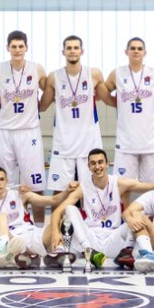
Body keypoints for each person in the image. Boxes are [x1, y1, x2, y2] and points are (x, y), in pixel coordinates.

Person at [47, 148, 154, 270]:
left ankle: (127, 252)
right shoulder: (83, 187)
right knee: (70, 209)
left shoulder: (118, 183)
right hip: (91, 238)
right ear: (88, 167)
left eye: (100, 162)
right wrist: (55, 233)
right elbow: (57, 211)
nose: (97, 166)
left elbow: (151, 186)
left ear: (107, 164)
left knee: (136, 214)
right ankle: (87, 251)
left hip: (113, 239)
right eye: (93, 163)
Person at [39, 35, 109, 191]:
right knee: (59, 190)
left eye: (76, 48)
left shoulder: (94, 74)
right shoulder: (54, 77)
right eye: (69, 48)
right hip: (64, 141)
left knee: (93, 189)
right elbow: (42, 106)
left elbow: (107, 99)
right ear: (63, 51)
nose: (72, 51)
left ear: (82, 51)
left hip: (88, 141)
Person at [103, 37, 154, 182]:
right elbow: (103, 93)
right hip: (126, 142)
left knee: (153, 184)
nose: (136, 51)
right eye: (133, 48)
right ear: (126, 51)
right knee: (122, 185)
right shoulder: (117, 74)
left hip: (150, 141)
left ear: (145, 52)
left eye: (140, 48)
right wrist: (117, 104)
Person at [0, 30, 47, 192]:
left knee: (35, 183)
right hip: (5, 131)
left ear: (26, 47)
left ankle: (36, 211)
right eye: (13, 46)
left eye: (21, 46)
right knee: (1, 181)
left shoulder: (37, 69)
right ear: (8, 48)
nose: (17, 50)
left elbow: (49, 91)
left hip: (29, 130)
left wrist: (41, 106)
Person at [0, 166, 75, 268]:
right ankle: (24, 256)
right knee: (12, 241)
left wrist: (67, 191)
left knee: (59, 223)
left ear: (7, 181)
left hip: (30, 233)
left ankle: (57, 252)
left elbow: (53, 200)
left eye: (1, 179)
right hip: (11, 238)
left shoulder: (20, 194)